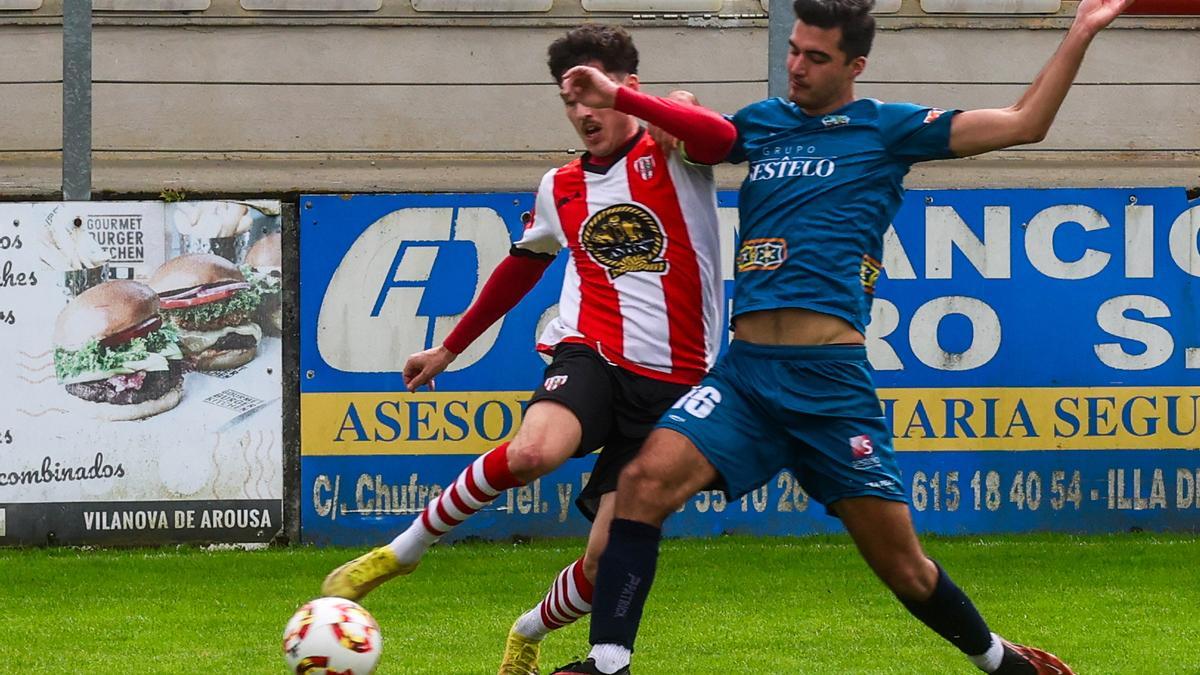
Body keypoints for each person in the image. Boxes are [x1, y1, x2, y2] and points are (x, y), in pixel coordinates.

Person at [551, 1, 1135, 673]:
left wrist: (1081, 30)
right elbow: (705, 138)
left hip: (829, 385)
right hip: (745, 376)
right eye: (794, 50)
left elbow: (1026, 123)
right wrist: (647, 101)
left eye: (816, 57)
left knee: (904, 568)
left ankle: (1002, 661)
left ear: (855, 65)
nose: (796, 66)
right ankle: (608, 661)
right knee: (644, 480)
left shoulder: (887, 129)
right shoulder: (762, 125)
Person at [319, 24, 737, 675]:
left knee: (605, 558)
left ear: (628, 88)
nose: (581, 113)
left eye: (593, 94)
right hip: (592, 352)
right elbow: (523, 263)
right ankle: (403, 549)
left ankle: (526, 629)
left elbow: (723, 139)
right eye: (570, 99)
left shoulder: (674, 146)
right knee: (536, 449)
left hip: (678, 388)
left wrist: (654, 106)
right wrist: (449, 347)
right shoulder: (561, 186)